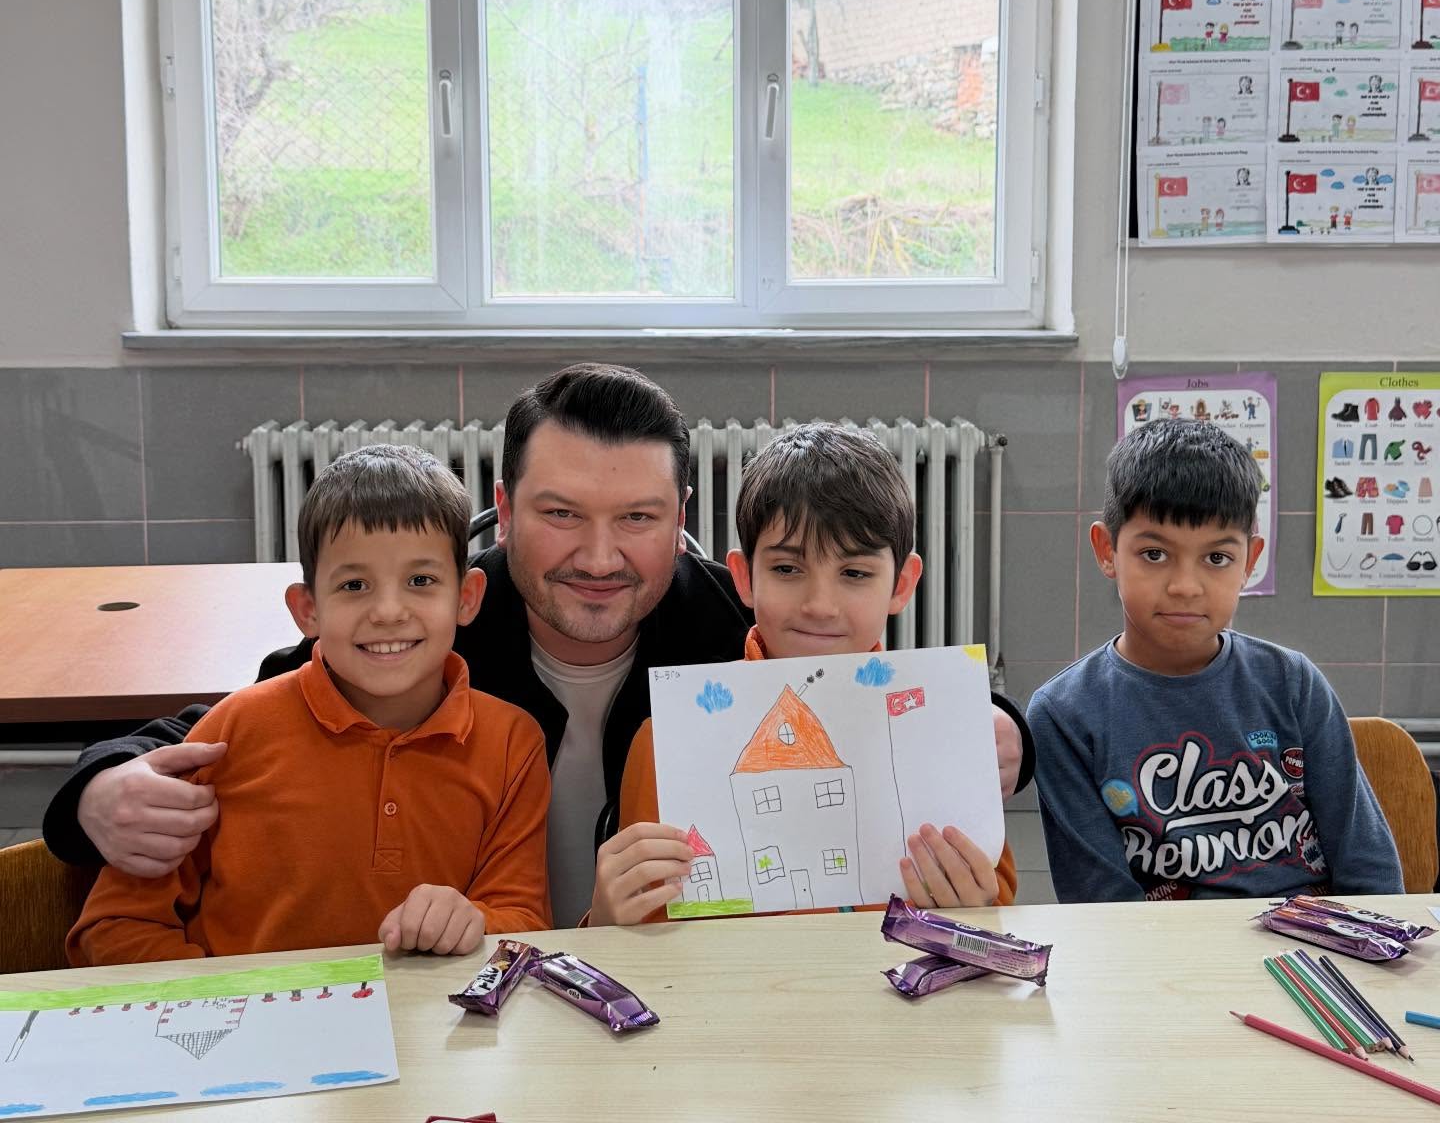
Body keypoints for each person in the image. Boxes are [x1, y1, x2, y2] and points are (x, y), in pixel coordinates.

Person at [44, 365, 1033, 928]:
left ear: (681, 519)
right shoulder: (432, 622)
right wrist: (96, 789)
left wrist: (1007, 734)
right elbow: (233, 722)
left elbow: (870, 694)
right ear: (506, 510)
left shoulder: (721, 622)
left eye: (637, 518)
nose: (600, 558)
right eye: (561, 515)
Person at [67, 445, 551, 963]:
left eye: (420, 581)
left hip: (426, 1016)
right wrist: (223, 1001)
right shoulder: (232, 734)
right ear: (307, 610)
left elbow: (525, 923)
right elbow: (116, 927)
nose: (389, 611)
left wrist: (474, 922)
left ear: (467, 597)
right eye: (354, 585)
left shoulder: (512, 743)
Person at [590, 423, 1018, 926]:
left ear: (901, 585)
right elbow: (644, 929)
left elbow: (996, 907)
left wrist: (977, 910)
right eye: (788, 569)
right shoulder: (665, 743)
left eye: (854, 573)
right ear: (745, 577)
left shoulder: (942, 737)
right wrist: (606, 920)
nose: (820, 605)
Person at [1026, 419, 1401, 903]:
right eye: (1154, 554)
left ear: (1250, 561)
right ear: (1107, 551)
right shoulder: (1063, 715)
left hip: (1310, 936)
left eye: (1217, 558)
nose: (1185, 586)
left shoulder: (1292, 682)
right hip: (1154, 946)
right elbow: (1101, 904)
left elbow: (1369, 869)